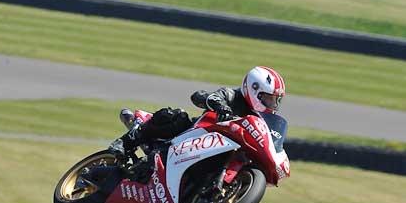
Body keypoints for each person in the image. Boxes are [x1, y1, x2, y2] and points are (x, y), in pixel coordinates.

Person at [108, 66, 287, 160]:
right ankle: (124, 142)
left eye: (275, 100)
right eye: (269, 99)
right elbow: (200, 96)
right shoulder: (232, 96)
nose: (272, 104)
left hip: (223, 148)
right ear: (255, 89)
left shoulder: (258, 119)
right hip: (194, 135)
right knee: (176, 116)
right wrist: (220, 106)